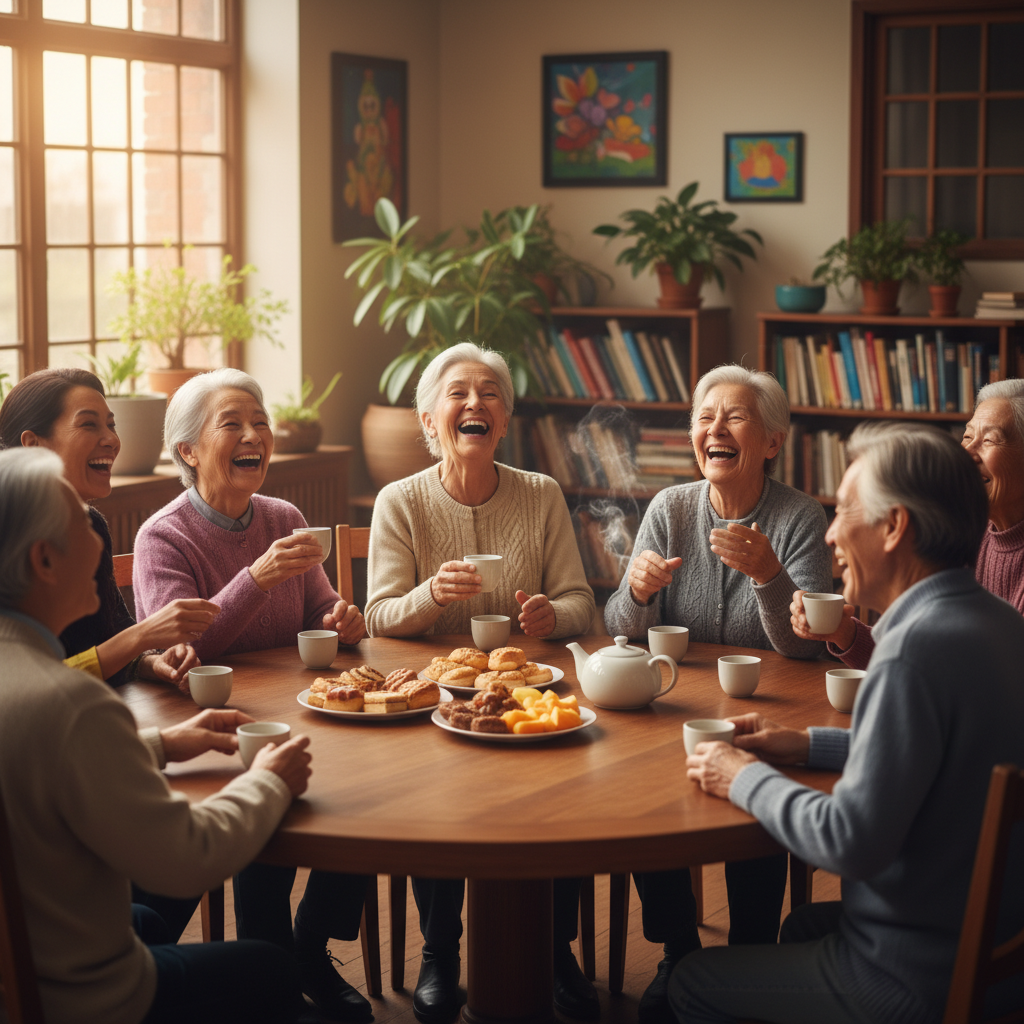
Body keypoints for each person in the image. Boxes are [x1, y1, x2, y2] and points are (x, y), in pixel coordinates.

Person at [678, 421, 1024, 1024]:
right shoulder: (998, 624)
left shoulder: (912, 649)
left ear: (894, 527)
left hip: (915, 976)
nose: (831, 533)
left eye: (844, 511)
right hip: (993, 942)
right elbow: (940, 756)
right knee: (801, 925)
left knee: (689, 982)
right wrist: (808, 745)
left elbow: (850, 842)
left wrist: (739, 776)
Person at [0, 446, 316, 1024]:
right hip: (75, 998)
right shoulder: (71, 703)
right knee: (272, 969)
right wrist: (269, 780)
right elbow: (186, 858)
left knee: (144, 919)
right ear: (43, 559)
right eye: (81, 526)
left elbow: (34, 764)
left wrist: (161, 745)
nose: (99, 543)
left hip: (25, 952)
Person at [364, 342, 597, 1024]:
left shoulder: (541, 493)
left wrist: (553, 615)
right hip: (435, 704)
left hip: (529, 695)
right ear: (429, 421)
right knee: (434, 796)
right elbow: (378, 616)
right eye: (459, 393)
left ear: (504, 420)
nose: (475, 403)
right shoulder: (400, 501)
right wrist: (431, 594)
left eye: (490, 393)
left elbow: (582, 602)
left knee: (567, 791)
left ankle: (554, 948)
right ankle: (439, 953)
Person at [132, 368, 373, 1023]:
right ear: (187, 451)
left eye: (260, 423)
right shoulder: (163, 536)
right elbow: (184, 652)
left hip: (297, 708)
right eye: (232, 424)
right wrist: (256, 578)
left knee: (368, 797)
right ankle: (276, 973)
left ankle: (307, 946)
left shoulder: (284, 516)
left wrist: (343, 620)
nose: (253, 436)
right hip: (213, 727)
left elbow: (321, 608)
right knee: (270, 800)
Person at [603, 364, 833, 1024]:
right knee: (641, 792)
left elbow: (806, 647)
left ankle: (750, 950)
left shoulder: (799, 517)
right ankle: (677, 948)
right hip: (676, 704)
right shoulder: (670, 508)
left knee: (757, 782)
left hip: (772, 711)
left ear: (772, 441)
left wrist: (770, 576)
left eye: (735, 417)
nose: (716, 429)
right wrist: (636, 592)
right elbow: (619, 629)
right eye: (705, 418)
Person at [0, 368, 217, 689]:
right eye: (89, 424)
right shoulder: (9, 541)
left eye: (111, 425)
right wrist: (142, 635)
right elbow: (28, 683)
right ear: (33, 445)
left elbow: (112, 634)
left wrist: (150, 661)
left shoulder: (92, 526)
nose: (112, 440)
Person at [791, 378, 1024, 663]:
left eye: (989, 440)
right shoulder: (968, 535)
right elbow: (929, 658)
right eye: (967, 437)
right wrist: (845, 632)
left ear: (895, 525)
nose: (966, 454)